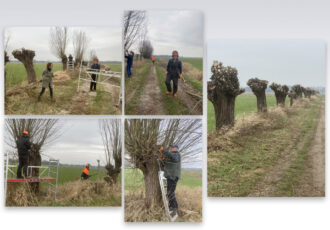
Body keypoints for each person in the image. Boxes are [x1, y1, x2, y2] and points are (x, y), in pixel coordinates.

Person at [159, 144, 181, 216]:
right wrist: (162, 160)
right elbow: (164, 164)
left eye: (173, 147)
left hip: (173, 176)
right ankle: (173, 206)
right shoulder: (171, 157)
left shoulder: (177, 155)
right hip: (169, 176)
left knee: (170, 192)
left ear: (176, 149)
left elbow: (173, 157)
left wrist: (163, 150)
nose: (171, 148)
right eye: (171, 147)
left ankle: (173, 207)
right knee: (170, 192)